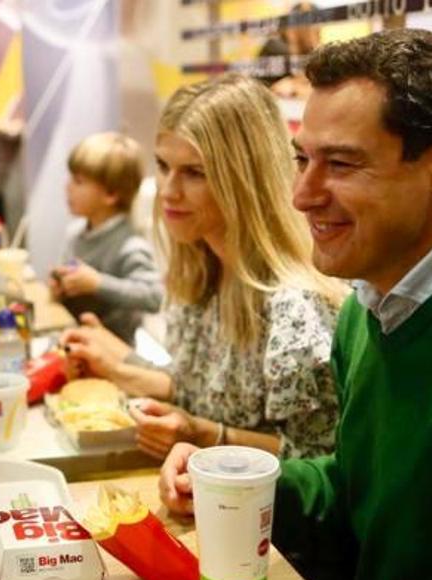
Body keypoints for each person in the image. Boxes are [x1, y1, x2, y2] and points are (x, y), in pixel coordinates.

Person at [160, 29, 432, 580]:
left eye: (343, 164)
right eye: (303, 160)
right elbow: (360, 492)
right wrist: (244, 482)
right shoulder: (368, 307)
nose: (302, 194)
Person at [64, 74, 347, 462]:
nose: (168, 190)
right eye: (163, 166)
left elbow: (319, 462)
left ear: (245, 180)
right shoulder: (200, 273)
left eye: (195, 173)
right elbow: (192, 391)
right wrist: (118, 363)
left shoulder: (296, 309)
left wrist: (207, 436)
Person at [49, 131, 163, 342]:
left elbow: (154, 297)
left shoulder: (130, 246)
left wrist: (97, 283)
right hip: (76, 338)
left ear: (111, 194)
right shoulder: (75, 232)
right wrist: (61, 286)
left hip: (115, 353)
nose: (68, 186)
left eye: (79, 181)